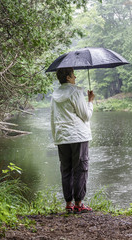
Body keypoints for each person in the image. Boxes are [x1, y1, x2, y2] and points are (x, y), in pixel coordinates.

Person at [50, 67, 95, 214]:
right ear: (68, 78)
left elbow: (52, 118)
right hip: (78, 136)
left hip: (62, 137)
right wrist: (90, 101)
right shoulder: (76, 92)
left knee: (66, 169)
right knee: (80, 168)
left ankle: (69, 203)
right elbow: (86, 116)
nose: (75, 76)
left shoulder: (55, 94)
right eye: (73, 74)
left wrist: (56, 136)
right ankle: (79, 203)